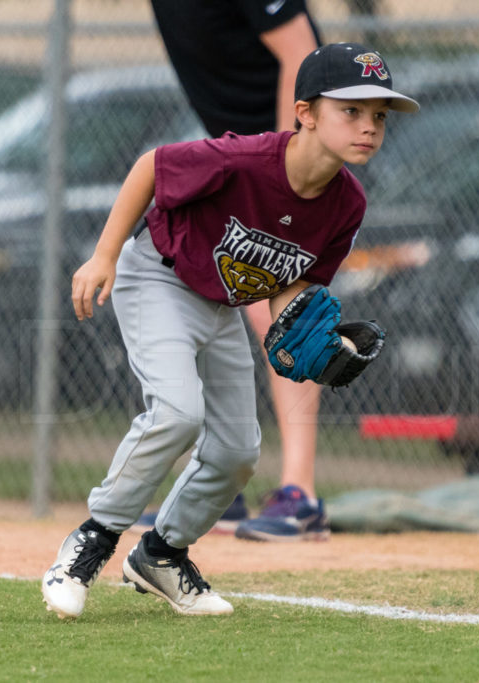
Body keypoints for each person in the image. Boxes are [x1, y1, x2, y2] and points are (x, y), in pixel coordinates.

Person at [41, 42, 419, 618]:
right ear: (306, 114)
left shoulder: (347, 204)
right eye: (351, 111)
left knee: (239, 450)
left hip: (221, 305)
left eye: (378, 117)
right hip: (160, 277)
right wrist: (104, 255)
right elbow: (152, 166)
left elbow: (296, 280)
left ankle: (161, 555)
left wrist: (313, 334)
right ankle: (90, 542)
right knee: (176, 413)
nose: (368, 126)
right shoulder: (245, 160)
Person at [146, 0, 330, 541]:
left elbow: (303, 55)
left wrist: (284, 164)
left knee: (286, 315)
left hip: (291, 153)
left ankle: (301, 493)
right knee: (200, 296)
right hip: (239, 159)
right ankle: (216, 489)